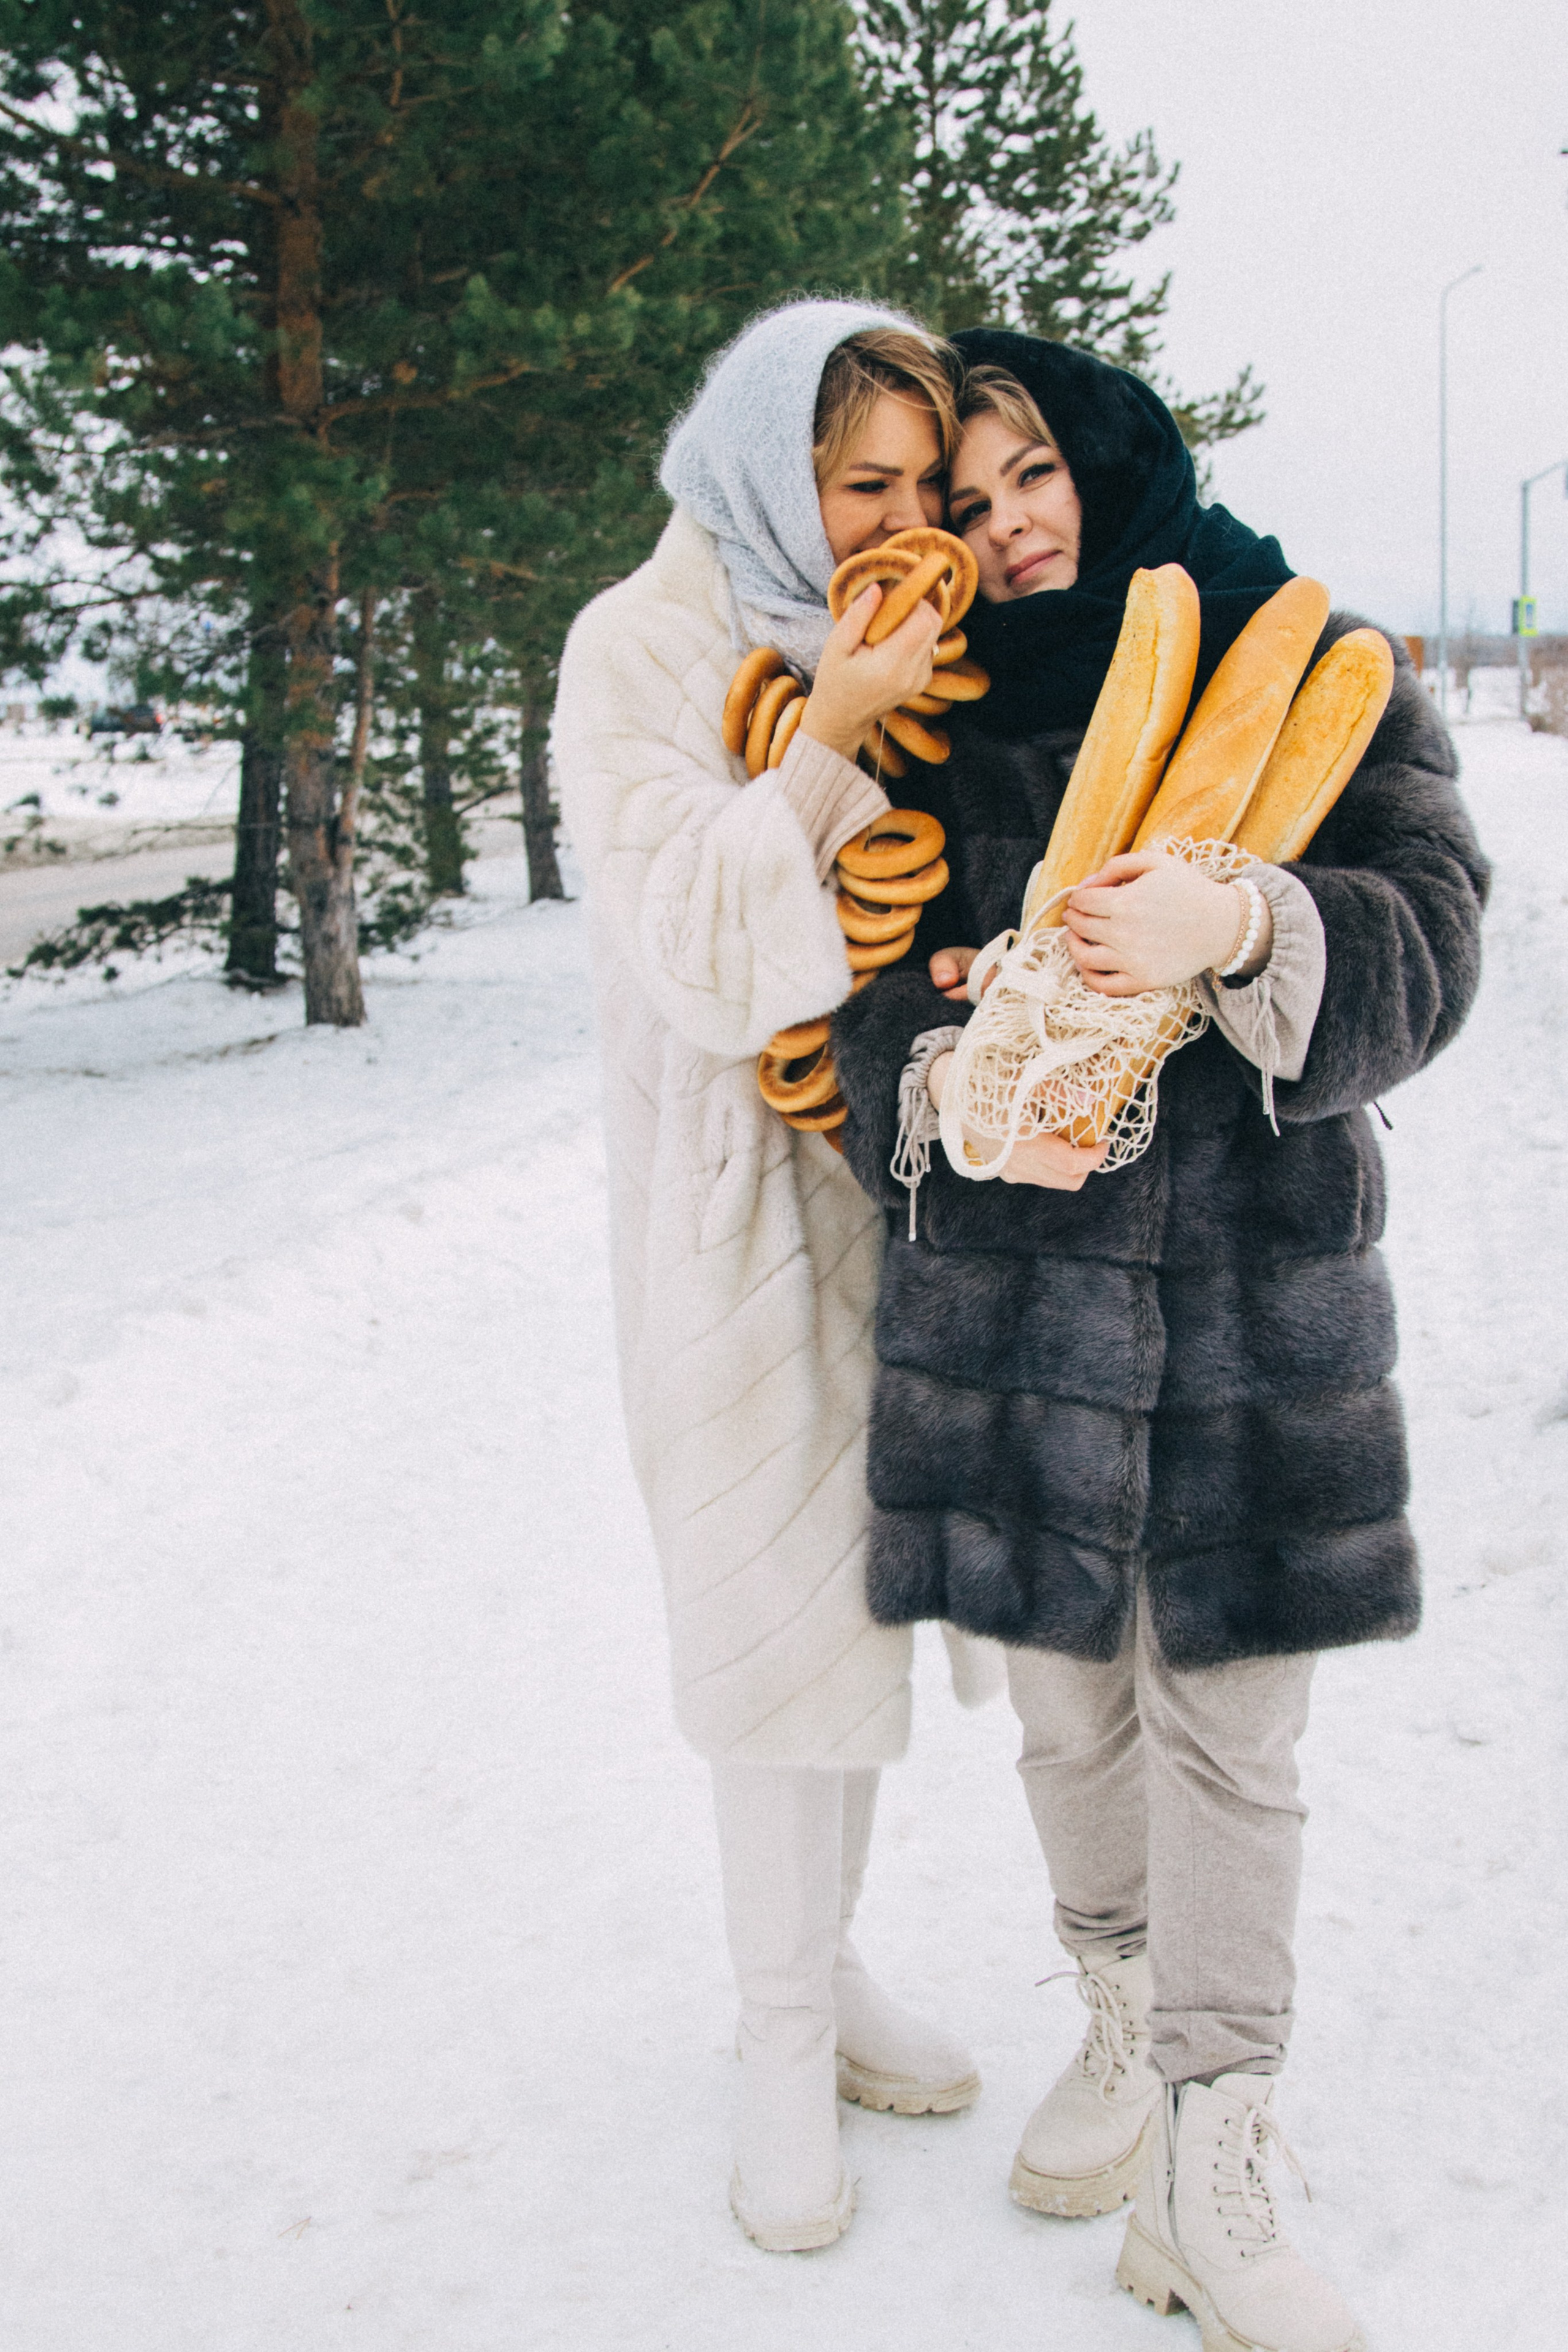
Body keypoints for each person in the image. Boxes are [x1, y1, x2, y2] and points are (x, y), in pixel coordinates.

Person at [831, 329, 1488, 2351]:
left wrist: (1246, 932)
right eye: (964, 497)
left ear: (1111, 461)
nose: (1002, 523)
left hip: (1244, 1308)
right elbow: (862, 1004)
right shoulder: (938, 731)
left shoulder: (1302, 659)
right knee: (1064, 1715)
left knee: (1236, 1734)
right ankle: (1117, 2018)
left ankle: (1216, 2155)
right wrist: (940, 1073)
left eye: (1030, 473)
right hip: (1011, 1305)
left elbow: (1440, 932)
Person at [551, 300, 1003, 2255]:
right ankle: (773, 2037)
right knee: (763, 1627)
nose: (897, 522)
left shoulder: (923, 648)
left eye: (922, 483)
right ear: (768, 468)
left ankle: (830, 1971)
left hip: (889, 1190)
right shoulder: (639, 647)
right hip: (731, 1207)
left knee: (861, 1611)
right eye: (858, 481)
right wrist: (823, 740)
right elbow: (694, 946)